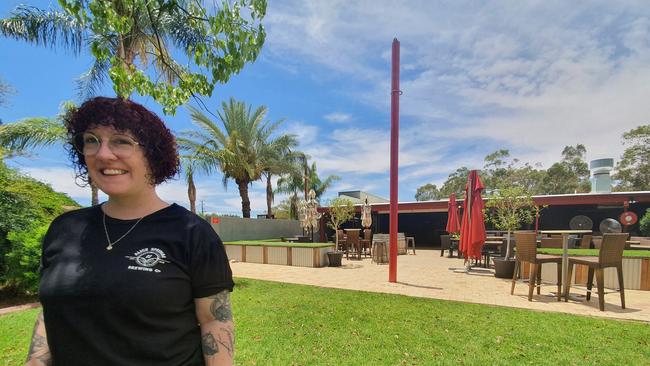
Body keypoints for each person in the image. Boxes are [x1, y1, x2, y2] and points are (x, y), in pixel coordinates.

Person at [25, 97, 234, 366]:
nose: (102, 154)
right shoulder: (63, 229)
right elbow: (52, 310)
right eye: (91, 140)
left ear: (153, 155)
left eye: (121, 141)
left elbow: (215, 321)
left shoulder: (192, 233)